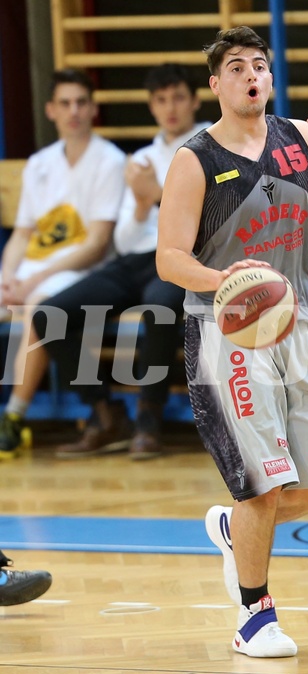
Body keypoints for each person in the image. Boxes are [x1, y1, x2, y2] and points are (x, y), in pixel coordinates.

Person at [156, 27, 308, 657]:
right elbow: (168, 258)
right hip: (225, 331)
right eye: (236, 67)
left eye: (258, 65)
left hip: (301, 325)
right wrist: (222, 282)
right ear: (216, 84)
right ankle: (253, 616)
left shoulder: (299, 139)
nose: (251, 76)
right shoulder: (195, 158)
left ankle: (237, 532)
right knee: (262, 484)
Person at [32, 64, 211, 459]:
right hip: (134, 259)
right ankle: (105, 413)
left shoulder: (211, 148)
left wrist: (157, 196)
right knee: (48, 314)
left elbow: (208, 227)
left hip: (182, 257)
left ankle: (149, 419)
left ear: (196, 101)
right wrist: (143, 201)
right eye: (161, 100)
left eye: (179, 97)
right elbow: (124, 238)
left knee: (159, 308)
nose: (170, 108)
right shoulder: (144, 157)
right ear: (150, 106)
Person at [0, 69, 126, 459]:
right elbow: (22, 233)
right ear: (51, 110)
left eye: (81, 102)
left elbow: (97, 243)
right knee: (20, 298)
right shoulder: (39, 163)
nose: (73, 111)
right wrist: (7, 277)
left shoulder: (111, 161)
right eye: (65, 103)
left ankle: (14, 418)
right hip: (30, 269)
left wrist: (35, 277)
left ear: (92, 108)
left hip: (79, 271)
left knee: (39, 308)